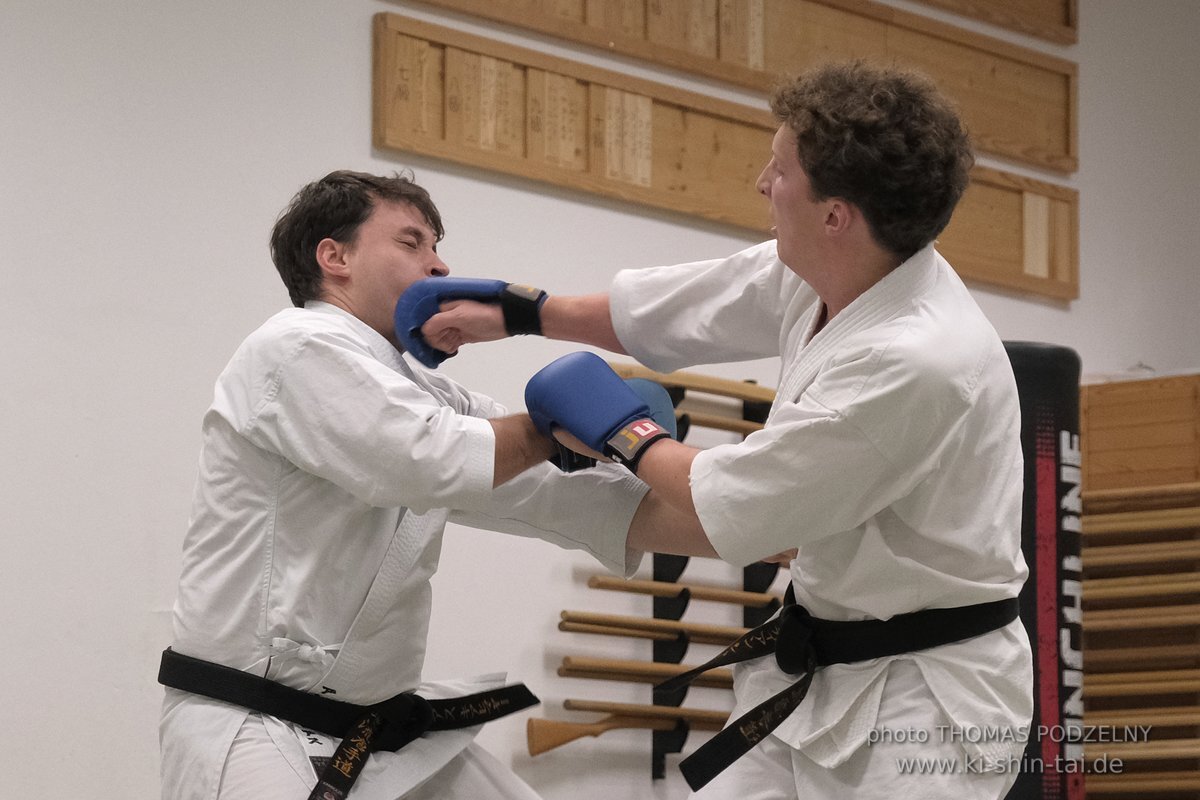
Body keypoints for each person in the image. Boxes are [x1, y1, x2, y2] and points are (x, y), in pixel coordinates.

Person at [401, 62, 1034, 799]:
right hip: (817, 659)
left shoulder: (916, 358)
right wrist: (521, 312)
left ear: (837, 214)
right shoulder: (838, 267)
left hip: (927, 704)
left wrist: (623, 432)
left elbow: (737, 506)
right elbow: (676, 309)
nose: (764, 182)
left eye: (781, 169)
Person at [158, 170, 657, 800]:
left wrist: (747, 516)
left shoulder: (425, 395)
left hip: (377, 735)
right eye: (412, 242)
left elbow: (558, 496)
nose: (439, 263)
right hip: (254, 729)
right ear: (334, 256)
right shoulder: (295, 347)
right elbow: (426, 458)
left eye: (436, 245)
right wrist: (552, 427)